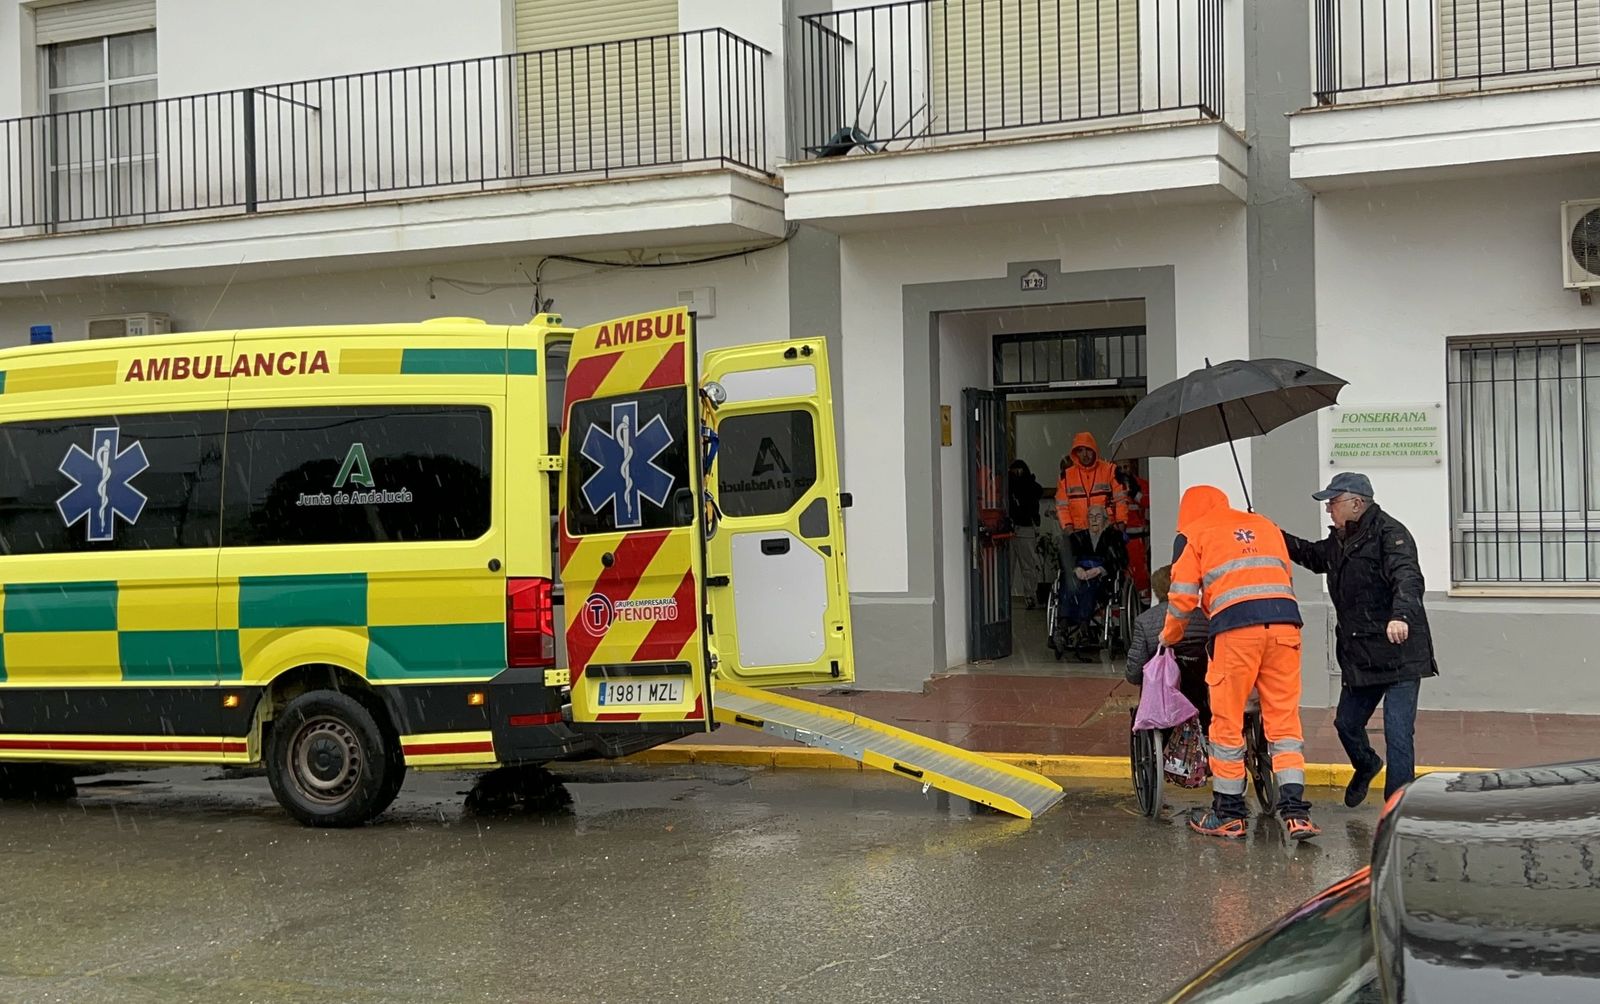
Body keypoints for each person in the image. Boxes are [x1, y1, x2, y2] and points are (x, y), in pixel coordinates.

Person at [1162, 485, 1319, 841]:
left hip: (1236, 633)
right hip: (1285, 626)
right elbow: (1282, 577)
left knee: (1227, 723)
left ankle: (1230, 814)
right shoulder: (1264, 524)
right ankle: (1296, 813)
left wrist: (1169, 637)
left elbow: (1183, 597)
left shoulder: (1194, 534)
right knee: (1283, 721)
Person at [1281, 472, 1438, 806]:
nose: (1328, 510)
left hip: (1400, 652)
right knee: (1346, 723)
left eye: (1333, 503)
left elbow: (1407, 578)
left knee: (1398, 734)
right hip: (1362, 654)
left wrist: (1401, 616)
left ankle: (1397, 809)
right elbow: (1310, 555)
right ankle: (1366, 764)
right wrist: (1271, 534)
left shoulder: (1391, 534)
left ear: (1356, 503)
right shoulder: (1340, 539)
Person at [1125, 564, 1212, 731]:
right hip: (1204, 693)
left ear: (1157, 590)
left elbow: (1135, 672)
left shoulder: (1145, 621)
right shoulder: (1207, 618)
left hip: (1165, 700)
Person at [1056, 505, 1126, 660]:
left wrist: (1100, 570)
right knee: (1069, 584)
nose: (1094, 520)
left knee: (1090, 588)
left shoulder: (1114, 537)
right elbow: (1066, 558)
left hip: (1102, 577)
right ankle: (1062, 627)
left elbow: (1120, 560)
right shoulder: (1078, 537)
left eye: (1098, 516)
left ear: (1106, 521)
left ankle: (1084, 627)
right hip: (1079, 574)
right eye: (1091, 517)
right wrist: (1076, 569)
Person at [1006, 460, 1046, 609]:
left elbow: (1036, 491)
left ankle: (1029, 596)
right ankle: (1029, 596)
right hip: (1019, 528)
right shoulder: (1023, 486)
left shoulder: (1021, 486)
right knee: (1023, 566)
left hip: (1021, 528)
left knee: (1022, 566)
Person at [1116, 460, 1152, 599]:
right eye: (1120, 468)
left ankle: (1143, 599)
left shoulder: (1141, 484)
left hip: (1138, 536)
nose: (1123, 470)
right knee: (1122, 571)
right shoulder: (1114, 485)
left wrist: (1136, 494)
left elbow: (1150, 502)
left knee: (1139, 571)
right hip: (1120, 535)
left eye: (1125, 466)